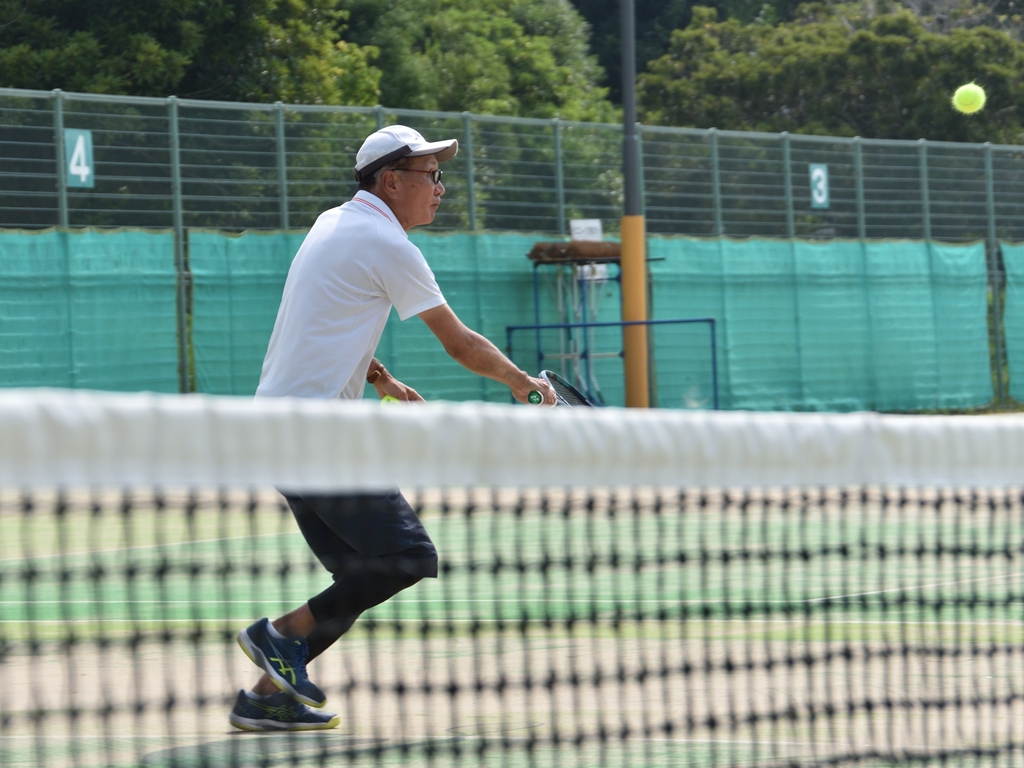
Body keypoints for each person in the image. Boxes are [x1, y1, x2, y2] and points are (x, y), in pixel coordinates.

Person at [228, 124, 556, 731]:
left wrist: (379, 378)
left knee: (362, 575)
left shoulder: (333, 223)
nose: (440, 188)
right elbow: (460, 344)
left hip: (276, 432)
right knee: (407, 557)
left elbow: (325, 319)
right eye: (431, 175)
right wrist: (522, 383)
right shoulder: (386, 242)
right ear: (391, 180)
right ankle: (279, 636)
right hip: (316, 436)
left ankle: (265, 698)